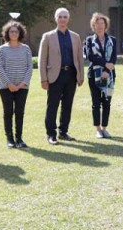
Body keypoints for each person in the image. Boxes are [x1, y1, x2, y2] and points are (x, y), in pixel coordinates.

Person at [39, 8, 85, 145]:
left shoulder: (75, 37)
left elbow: (79, 59)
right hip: (54, 76)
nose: (63, 19)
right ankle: (51, 134)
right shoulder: (47, 36)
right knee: (52, 105)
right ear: (56, 18)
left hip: (71, 75)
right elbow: (42, 59)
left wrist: (80, 75)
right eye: (60, 16)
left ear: (68, 19)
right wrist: (43, 78)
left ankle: (63, 132)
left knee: (67, 105)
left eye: (65, 17)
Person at [0, 21, 33, 148]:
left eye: (16, 31)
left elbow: (30, 67)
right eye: (11, 31)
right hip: (5, 87)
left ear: (20, 33)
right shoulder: (2, 49)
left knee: (20, 112)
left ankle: (19, 138)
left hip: (22, 87)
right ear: (7, 33)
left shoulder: (26, 49)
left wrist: (23, 83)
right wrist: (9, 84)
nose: (14, 33)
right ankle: (10, 139)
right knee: (8, 112)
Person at [85, 12, 117, 139]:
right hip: (94, 75)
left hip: (109, 77)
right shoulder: (89, 40)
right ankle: (98, 129)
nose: (99, 26)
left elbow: (114, 57)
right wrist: (105, 64)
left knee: (107, 102)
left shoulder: (112, 40)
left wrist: (107, 71)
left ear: (106, 25)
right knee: (96, 103)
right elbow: (90, 56)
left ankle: (104, 128)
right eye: (97, 23)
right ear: (93, 25)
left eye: (101, 23)